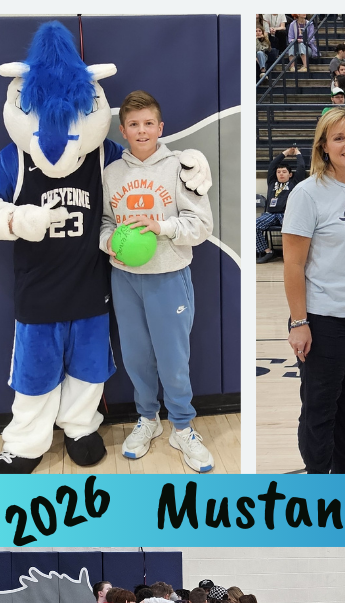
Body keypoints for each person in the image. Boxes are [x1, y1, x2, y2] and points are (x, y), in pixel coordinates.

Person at [101, 91, 214, 472]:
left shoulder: (181, 168)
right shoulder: (112, 174)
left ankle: (182, 426)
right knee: (136, 357)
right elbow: (104, 224)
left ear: (160, 127)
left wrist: (161, 227)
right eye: (134, 124)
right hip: (125, 279)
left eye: (149, 123)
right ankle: (147, 419)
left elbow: (201, 225)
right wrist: (109, 244)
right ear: (123, 130)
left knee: (173, 359)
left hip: (169, 276)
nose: (142, 130)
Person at [282, 108, 345, 475]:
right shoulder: (307, 194)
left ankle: (342, 476)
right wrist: (299, 322)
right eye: (339, 138)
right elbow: (292, 265)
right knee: (320, 409)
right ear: (324, 146)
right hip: (323, 321)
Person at [258, 147, 306, 264]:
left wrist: (297, 154)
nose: (281, 174)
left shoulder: (294, 182)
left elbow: (301, 168)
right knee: (253, 226)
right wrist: (285, 153)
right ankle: (268, 252)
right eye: (279, 172)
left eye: (284, 172)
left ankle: (293, 254)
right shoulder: (272, 182)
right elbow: (272, 165)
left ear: (290, 174)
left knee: (294, 230)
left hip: (287, 214)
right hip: (270, 214)